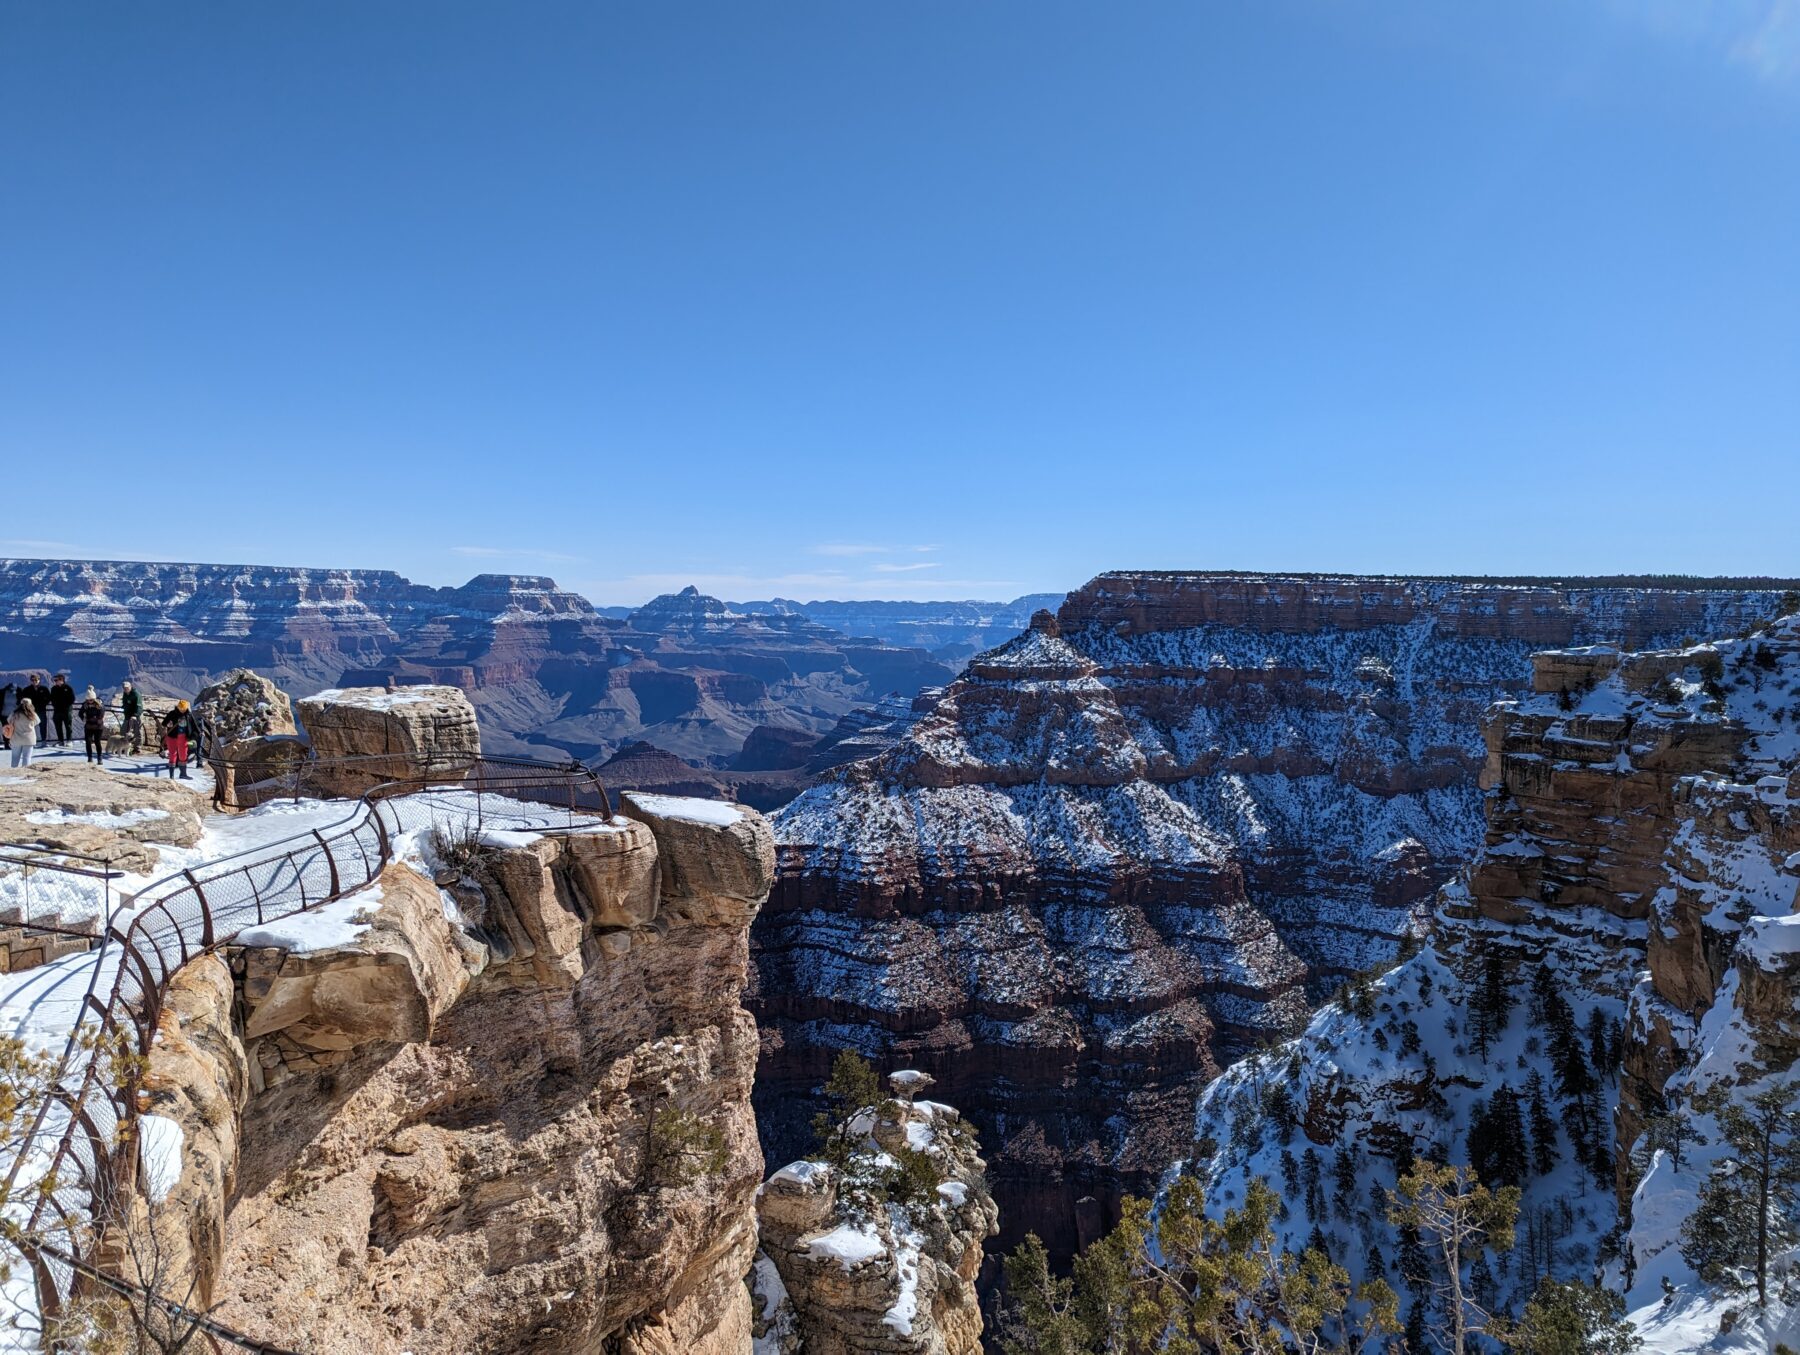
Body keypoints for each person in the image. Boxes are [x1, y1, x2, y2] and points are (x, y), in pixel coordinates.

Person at [162, 700, 196, 779]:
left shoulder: (188, 715)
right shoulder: (172, 714)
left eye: (183, 709)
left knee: (183, 755)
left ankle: (183, 774)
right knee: (172, 755)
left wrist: (199, 733)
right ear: (178, 707)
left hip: (183, 737)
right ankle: (171, 776)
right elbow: (164, 723)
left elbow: (194, 725)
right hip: (172, 737)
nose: (182, 710)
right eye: (181, 708)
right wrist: (168, 724)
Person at [80, 686, 107, 764]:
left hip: (98, 727)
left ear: (94, 699)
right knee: (88, 742)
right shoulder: (85, 705)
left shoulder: (100, 705)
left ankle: (99, 757)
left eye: (91, 700)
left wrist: (93, 719)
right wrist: (84, 718)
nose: (90, 701)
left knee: (97, 742)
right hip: (88, 726)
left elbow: (101, 716)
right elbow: (80, 713)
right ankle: (90, 757)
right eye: (88, 700)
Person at [7, 698, 36, 768]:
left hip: (16, 738)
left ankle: (13, 775)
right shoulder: (32, 714)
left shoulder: (14, 714)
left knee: (15, 758)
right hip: (29, 739)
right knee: (27, 758)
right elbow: (36, 722)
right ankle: (24, 775)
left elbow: (8, 720)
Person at [48, 673, 76, 746]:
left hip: (66, 710)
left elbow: (72, 699)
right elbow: (52, 699)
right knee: (58, 726)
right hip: (57, 710)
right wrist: (55, 705)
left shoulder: (68, 688)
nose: (55, 681)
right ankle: (60, 741)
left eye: (56, 680)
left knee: (68, 726)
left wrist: (66, 705)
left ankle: (69, 740)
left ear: (62, 680)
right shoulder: (53, 689)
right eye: (55, 680)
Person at [24, 674, 51, 743]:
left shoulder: (44, 689)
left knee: (43, 725)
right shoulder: (27, 690)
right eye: (33, 680)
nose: (34, 681)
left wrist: (43, 704)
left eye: (36, 680)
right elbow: (24, 699)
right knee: (30, 726)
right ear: (30, 681)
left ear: (39, 680)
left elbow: (48, 698)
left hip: (41, 710)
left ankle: (43, 740)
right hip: (30, 711)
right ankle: (31, 740)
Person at [119, 681, 143, 754]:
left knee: (137, 731)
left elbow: (139, 706)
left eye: (127, 687)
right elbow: (125, 702)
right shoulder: (125, 694)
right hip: (128, 715)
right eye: (124, 688)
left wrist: (135, 715)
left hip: (136, 715)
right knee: (124, 730)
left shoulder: (136, 694)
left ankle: (137, 748)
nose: (126, 689)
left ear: (130, 687)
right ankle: (123, 746)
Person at [0, 681, 11, 751]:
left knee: (6, 728)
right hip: (4, 713)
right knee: (6, 728)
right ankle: (7, 744)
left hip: (3, 713)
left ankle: (7, 744)